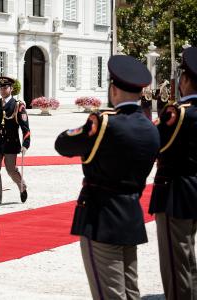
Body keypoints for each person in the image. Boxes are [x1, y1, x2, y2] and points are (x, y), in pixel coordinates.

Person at [55, 55, 160, 299]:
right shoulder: (151, 129)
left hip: (101, 218)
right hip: (131, 216)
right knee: (130, 290)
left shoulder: (103, 123)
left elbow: (63, 144)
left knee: (109, 293)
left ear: (113, 89)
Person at [148, 47, 197, 299]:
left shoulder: (178, 114)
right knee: (188, 258)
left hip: (175, 193)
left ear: (186, 80)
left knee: (176, 264)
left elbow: (152, 142)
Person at [0, 76, 30, 207]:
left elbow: (25, 127)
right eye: (1, 87)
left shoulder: (18, 106)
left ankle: (22, 186)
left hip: (10, 143)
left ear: (11, 89)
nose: (2, 90)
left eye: (5, 87)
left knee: (11, 170)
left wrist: (26, 143)